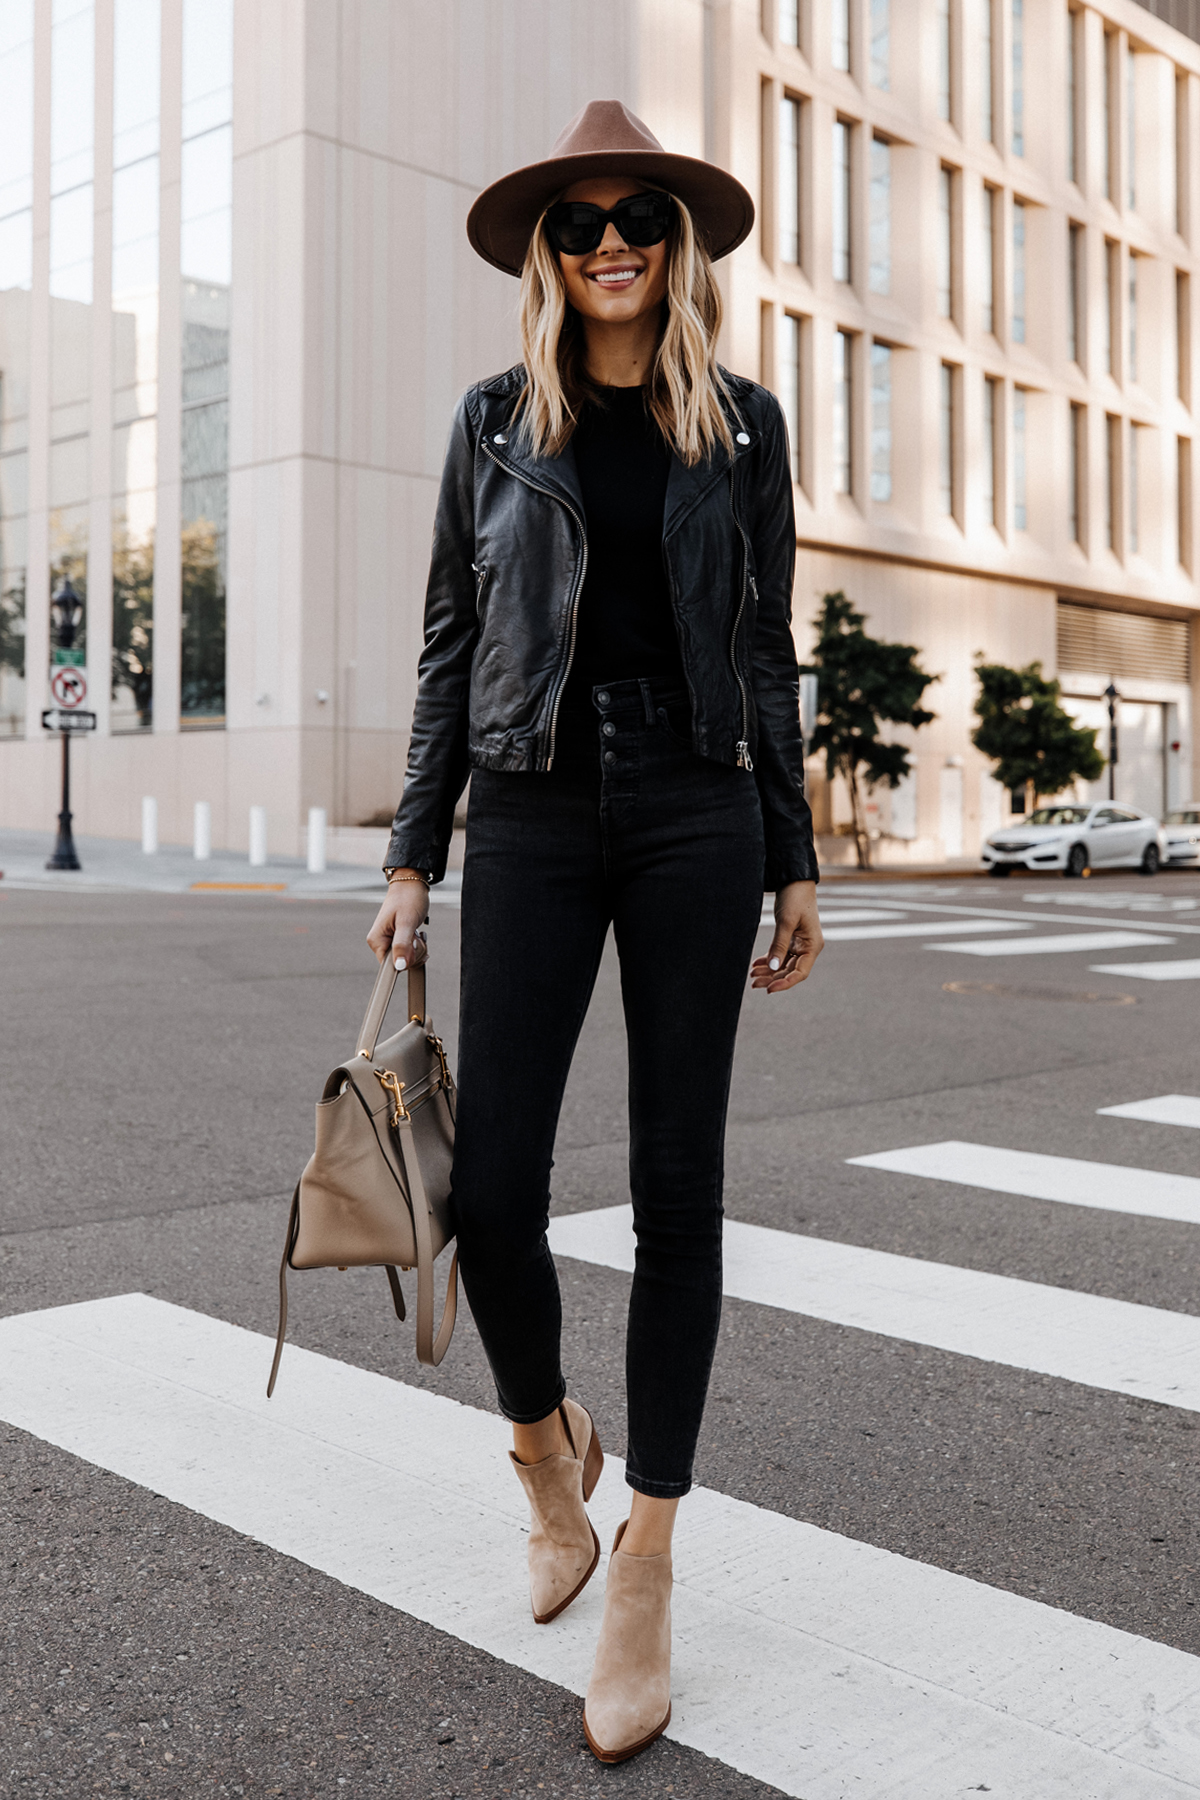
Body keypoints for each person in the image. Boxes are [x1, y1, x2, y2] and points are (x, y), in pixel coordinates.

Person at [367, 100, 823, 1765]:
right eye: (579, 221)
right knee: (490, 1192)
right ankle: (544, 1452)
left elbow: (767, 647)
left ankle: (646, 1560)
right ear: (549, 254)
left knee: (681, 1193)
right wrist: (415, 852)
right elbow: (447, 641)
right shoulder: (495, 423)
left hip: (699, 809)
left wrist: (796, 849)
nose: (610, 238)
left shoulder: (746, 427)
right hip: (537, 809)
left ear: (675, 243)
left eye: (636, 216)